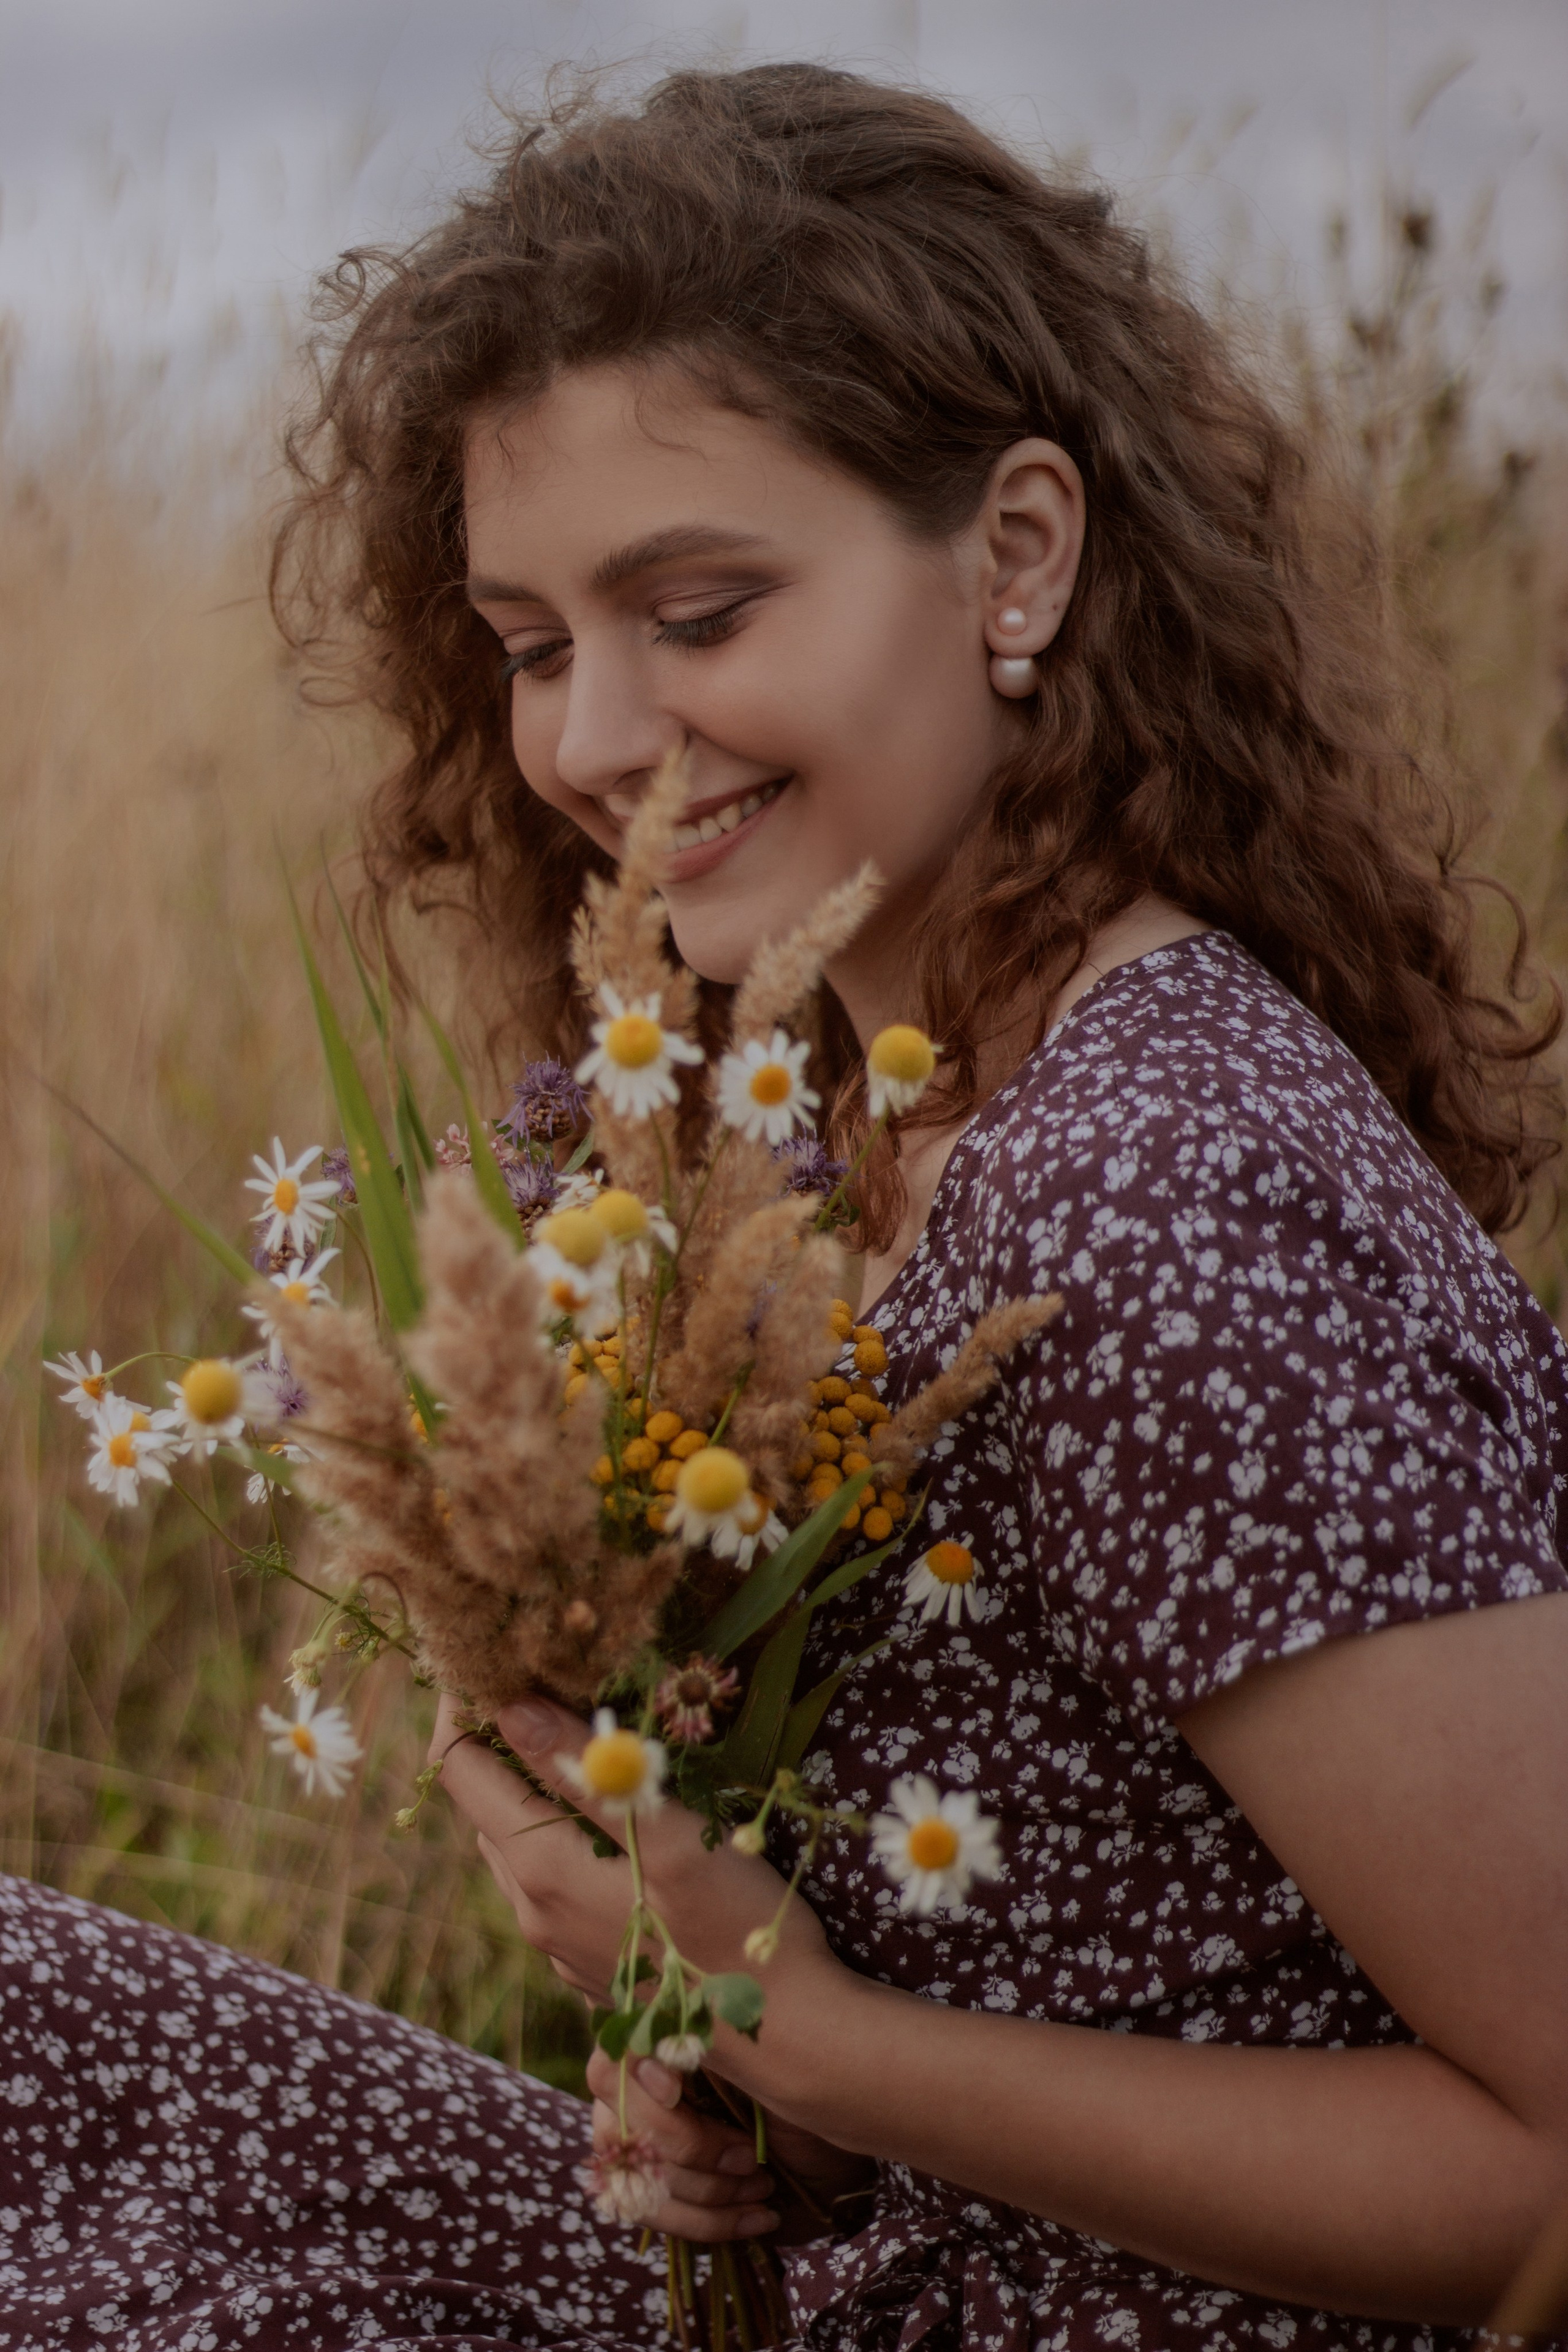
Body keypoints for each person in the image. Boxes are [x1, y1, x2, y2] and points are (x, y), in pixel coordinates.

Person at [2, 59, 1566, 2352]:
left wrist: (801, 2035)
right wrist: (742, 2067)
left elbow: (1546, 2163)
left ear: (1019, 554)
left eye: (702, 606)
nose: (599, 738)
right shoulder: (818, 1119)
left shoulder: (1163, 1200)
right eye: (534, 647)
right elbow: (1124, 1949)